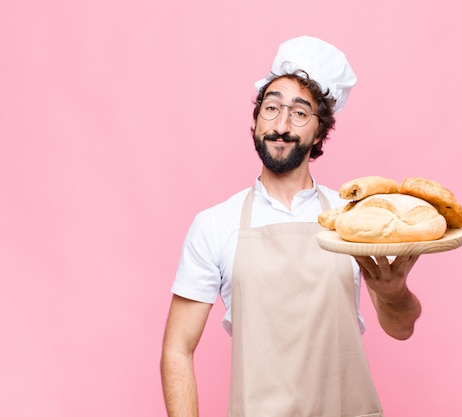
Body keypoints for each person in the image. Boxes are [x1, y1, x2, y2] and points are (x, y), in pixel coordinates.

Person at [160, 35, 422, 417]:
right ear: (254, 121)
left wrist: (395, 291)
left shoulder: (352, 218)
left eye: (299, 113)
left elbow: (402, 328)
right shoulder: (215, 225)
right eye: (271, 108)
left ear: (319, 132)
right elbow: (176, 349)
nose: (281, 124)